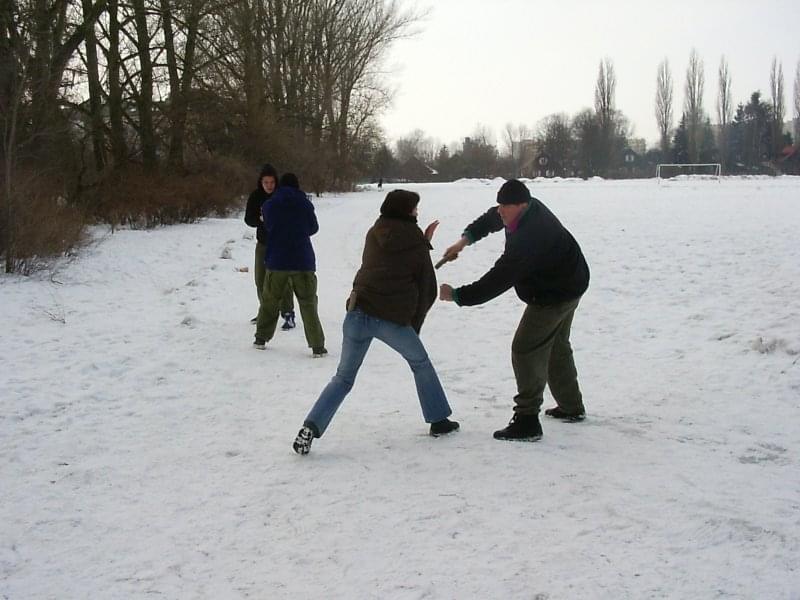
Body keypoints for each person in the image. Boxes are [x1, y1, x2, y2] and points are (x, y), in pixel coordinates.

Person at [292, 190, 459, 454]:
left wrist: (422, 243)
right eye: (415, 209)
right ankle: (438, 420)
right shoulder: (414, 239)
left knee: (343, 378)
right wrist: (414, 325)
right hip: (389, 319)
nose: (417, 212)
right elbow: (427, 288)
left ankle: (310, 428)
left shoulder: (374, 231)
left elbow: (392, 256)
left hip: (357, 312)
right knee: (420, 363)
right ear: (406, 211)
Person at [438, 179, 589, 442]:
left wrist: (458, 295)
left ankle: (527, 420)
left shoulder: (532, 235)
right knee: (554, 345)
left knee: (526, 348)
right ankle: (571, 406)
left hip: (556, 293)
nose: (500, 211)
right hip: (571, 280)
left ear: (522, 205)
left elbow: (498, 278)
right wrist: (463, 241)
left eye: (505, 207)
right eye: (499, 205)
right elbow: (491, 219)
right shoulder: (520, 210)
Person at [253, 173, 326, 356]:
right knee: (308, 303)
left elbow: (268, 226)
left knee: (270, 301)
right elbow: (313, 228)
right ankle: (317, 346)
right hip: (303, 260)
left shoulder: (269, 205)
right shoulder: (305, 204)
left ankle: (261, 338)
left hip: (277, 260)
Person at [243, 164, 296, 330]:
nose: (269, 186)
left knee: (283, 281)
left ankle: (288, 314)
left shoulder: (282, 196)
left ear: (276, 182)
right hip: (263, 243)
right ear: (261, 182)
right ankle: (265, 310)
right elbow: (248, 219)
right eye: (265, 182)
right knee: (260, 279)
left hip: (281, 244)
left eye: (272, 182)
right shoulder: (256, 196)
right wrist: (260, 221)